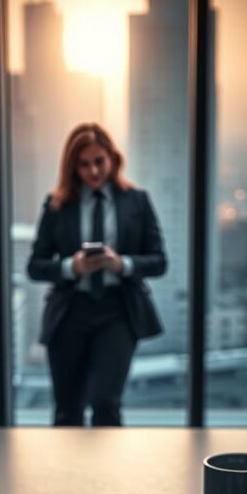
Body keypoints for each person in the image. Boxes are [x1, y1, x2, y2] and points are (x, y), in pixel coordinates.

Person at [27, 122, 167, 426]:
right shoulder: (57, 205)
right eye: (84, 164)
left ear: (113, 159)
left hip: (117, 312)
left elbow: (159, 261)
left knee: (106, 404)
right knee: (67, 410)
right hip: (69, 314)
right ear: (72, 167)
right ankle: (67, 474)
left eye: (99, 162)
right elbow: (35, 267)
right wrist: (71, 267)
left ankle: (109, 475)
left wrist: (123, 265)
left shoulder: (137, 201)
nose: (93, 171)